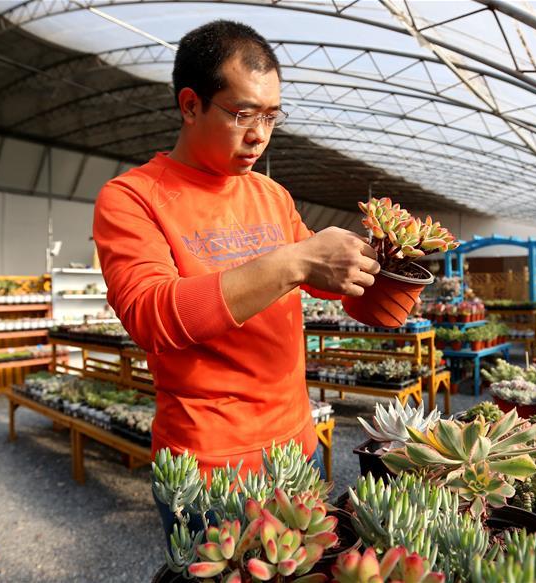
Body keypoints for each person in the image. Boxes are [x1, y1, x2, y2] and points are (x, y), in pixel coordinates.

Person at [91, 20, 380, 541]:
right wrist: (294, 262)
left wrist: (393, 258)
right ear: (190, 104)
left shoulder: (271, 195)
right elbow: (151, 314)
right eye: (242, 113)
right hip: (208, 467)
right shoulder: (132, 198)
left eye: (271, 116)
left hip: (297, 447)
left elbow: (330, 280)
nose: (260, 135)